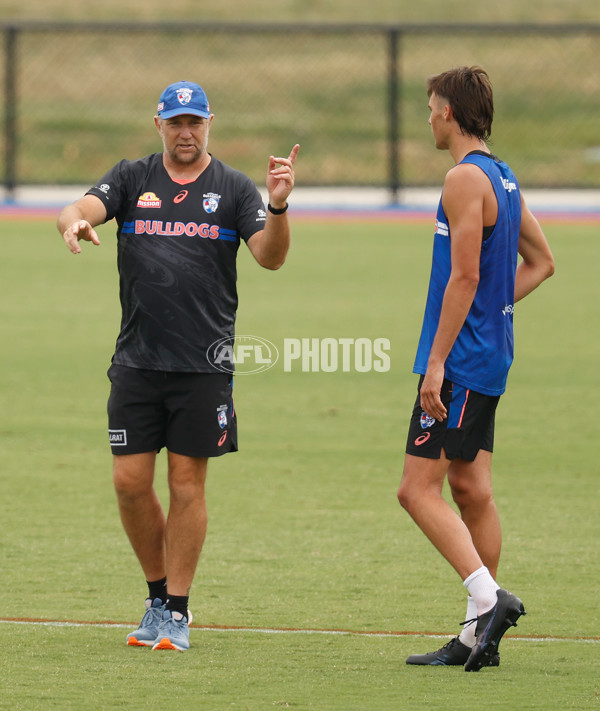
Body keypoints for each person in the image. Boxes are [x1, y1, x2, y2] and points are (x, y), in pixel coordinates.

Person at [57, 80, 299, 652]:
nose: (185, 133)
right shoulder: (132, 177)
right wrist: (70, 222)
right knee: (129, 483)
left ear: (209, 123)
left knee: (187, 483)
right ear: (158, 125)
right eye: (175, 123)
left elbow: (271, 257)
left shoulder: (235, 189)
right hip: (136, 362)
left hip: (202, 366)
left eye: (195, 122)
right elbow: (78, 206)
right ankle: (157, 594)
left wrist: (280, 204)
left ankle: (178, 612)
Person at [397, 66, 554, 671]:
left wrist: (436, 361)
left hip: (459, 361)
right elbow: (541, 262)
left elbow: (464, 276)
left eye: (432, 107)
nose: (429, 117)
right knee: (472, 490)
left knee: (417, 490)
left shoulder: (462, 179)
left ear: (450, 114)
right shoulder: (503, 177)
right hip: (490, 355)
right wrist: (495, 311)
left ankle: (489, 601)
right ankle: (474, 639)